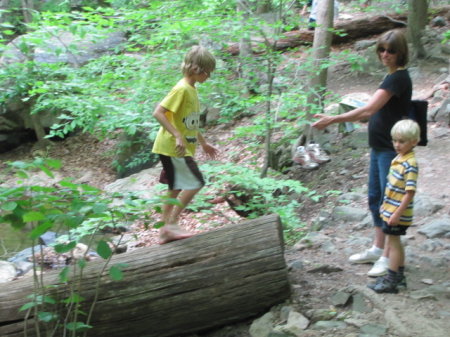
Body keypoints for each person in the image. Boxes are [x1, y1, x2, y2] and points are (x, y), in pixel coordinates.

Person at [312, 29, 412, 277]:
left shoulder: (397, 78)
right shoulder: (389, 78)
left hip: (391, 150)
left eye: (390, 51)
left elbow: (369, 107)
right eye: (381, 50)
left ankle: (388, 256)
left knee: (389, 203)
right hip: (379, 148)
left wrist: (333, 119)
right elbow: (368, 114)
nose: (385, 55)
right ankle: (378, 248)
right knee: (375, 198)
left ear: (400, 53)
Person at [152, 46, 218, 244]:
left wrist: (204, 144)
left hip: (178, 148)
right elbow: (158, 112)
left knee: (175, 188)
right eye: (208, 72)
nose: (209, 76)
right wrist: (178, 136)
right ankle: (170, 226)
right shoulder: (181, 89)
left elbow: (190, 122)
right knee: (195, 182)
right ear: (196, 69)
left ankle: (165, 228)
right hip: (173, 147)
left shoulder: (192, 90)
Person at [367, 119, 420, 293]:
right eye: (395, 140)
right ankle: (399, 276)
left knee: (394, 243)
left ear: (414, 142)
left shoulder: (409, 164)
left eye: (402, 141)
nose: (397, 145)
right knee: (395, 242)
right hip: (390, 210)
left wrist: (397, 213)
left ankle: (391, 279)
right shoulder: (399, 158)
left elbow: (409, 192)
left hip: (398, 213)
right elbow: (391, 187)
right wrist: (385, 207)